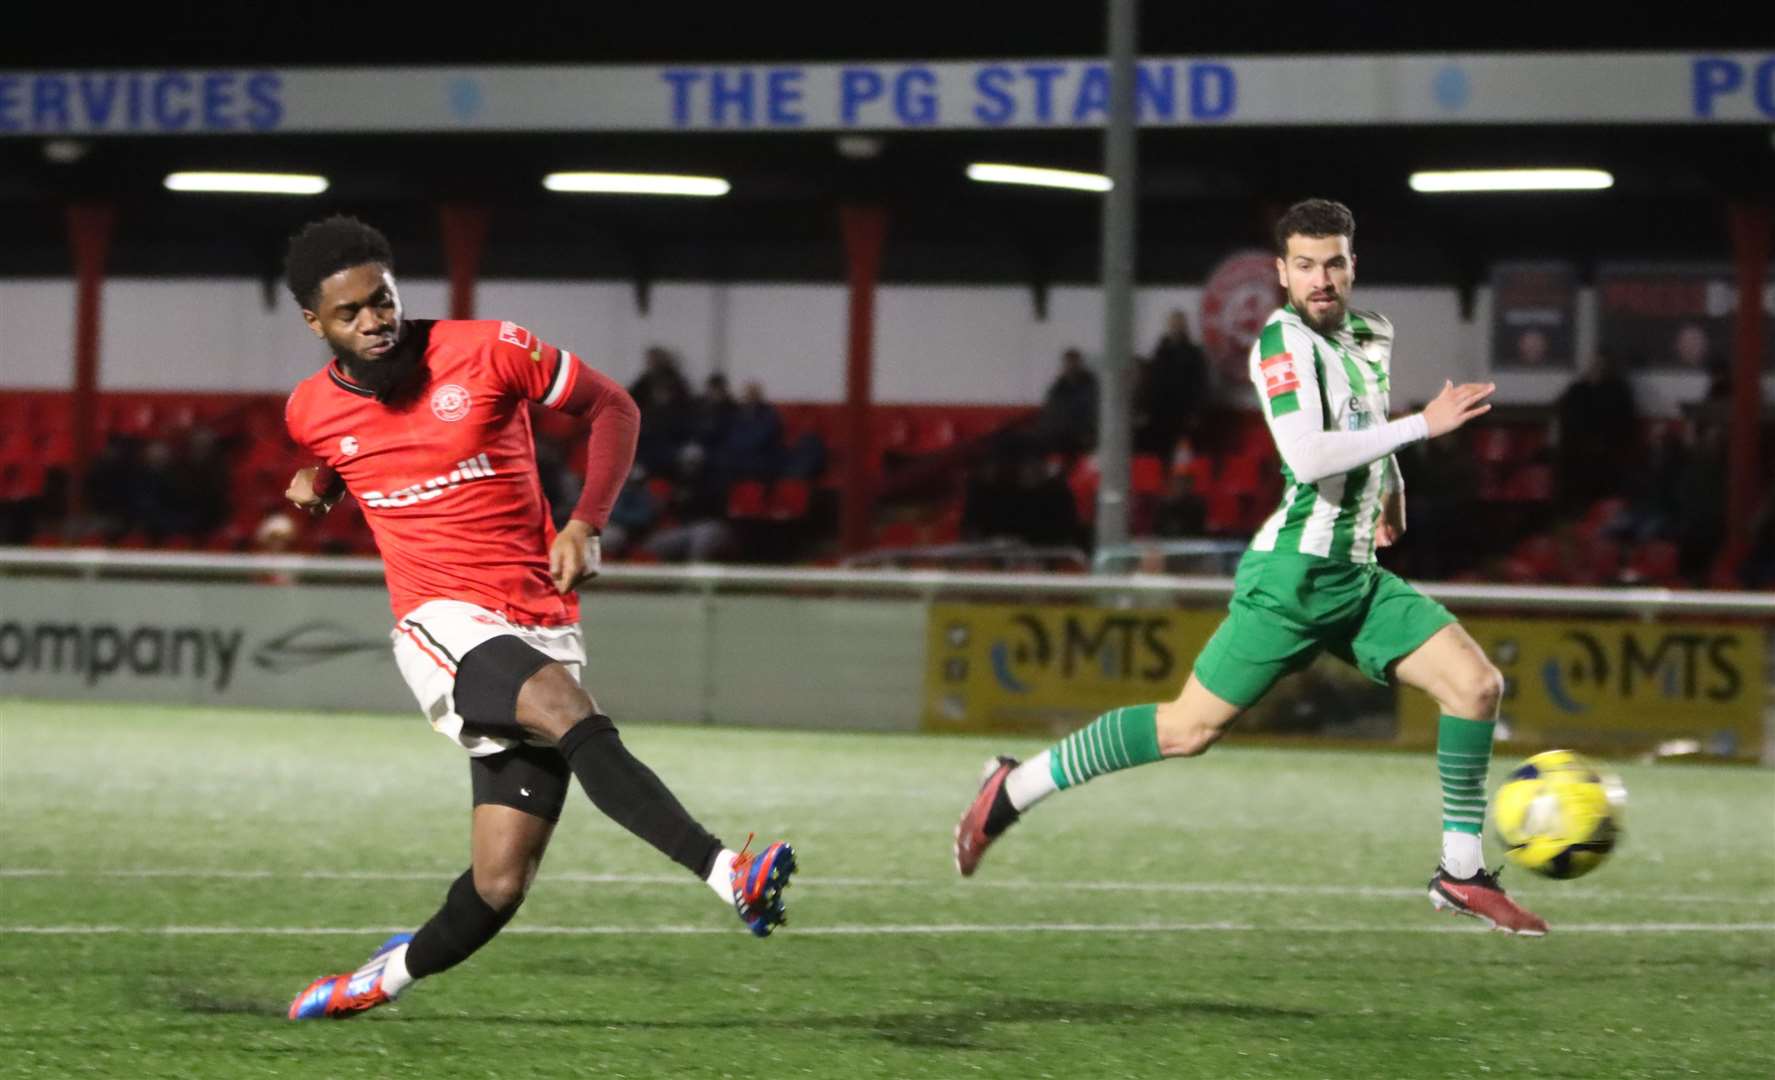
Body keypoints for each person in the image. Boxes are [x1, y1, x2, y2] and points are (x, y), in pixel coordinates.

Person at [953, 199, 1548, 936]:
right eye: (1304, 265)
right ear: (1281, 272)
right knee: (1185, 731)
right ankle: (1015, 787)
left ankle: (1460, 873)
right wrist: (1425, 426)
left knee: (1475, 685)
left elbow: (1363, 421)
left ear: (1352, 264)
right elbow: (1305, 454)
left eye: (1333, 262)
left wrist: (1390, 487)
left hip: (1353, 575)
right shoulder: (1280, 342)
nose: (1320, 279)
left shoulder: (1372, 332)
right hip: (1292, 581)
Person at [276, 216, 795, 1020]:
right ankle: (732, 874)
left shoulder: (489, 349)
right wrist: (323, 480)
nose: (374, 319)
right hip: (440, 622)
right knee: (568, 713)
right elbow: (347, 446)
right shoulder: (308, 410)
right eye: (350, 313)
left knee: (498, 885)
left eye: (381, 299)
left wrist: (587, 519)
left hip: (536, 618)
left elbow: (613, 408)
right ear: (316, 323)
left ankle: (371, 983)